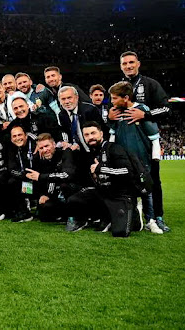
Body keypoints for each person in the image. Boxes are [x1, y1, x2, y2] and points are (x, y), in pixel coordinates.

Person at [118, 51, 170, 232]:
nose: (128, 66)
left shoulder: (150, 84)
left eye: (131, 62)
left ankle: (158, 217)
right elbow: (111, 109)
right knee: (126, 180)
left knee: (153, 181)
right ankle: (132, 216)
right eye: (124, 63)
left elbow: (166, 108)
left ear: (138, 63)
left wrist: (145, 114)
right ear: (121, 66)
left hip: (146, 143)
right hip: (125, 143)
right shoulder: (118, 87)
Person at [107, 81, 162, 234]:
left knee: (147, 190)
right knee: (126, 190)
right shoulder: (115, 112)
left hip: (141, 158)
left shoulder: (141, 110)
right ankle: (133, 219)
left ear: (125, 98)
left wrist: (155, 157)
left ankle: (151, 220)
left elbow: (154, 136)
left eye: (114, 98)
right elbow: (112, 134)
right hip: (122, 161)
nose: (111, 101)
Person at [65, 122, 137, 237]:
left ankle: (133, 213)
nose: (90, 137)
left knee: (120, 232)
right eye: (86, 135)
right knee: (74, 199)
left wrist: (100, 168)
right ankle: (99, 217)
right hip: (103, 193)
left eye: (93, 133)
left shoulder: (114, 148)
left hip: (120, 195)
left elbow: (127, 172)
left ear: (101, 133)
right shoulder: (92, 152)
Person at [25, 133, 77, 222]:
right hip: (53, 194)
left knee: (64, 185)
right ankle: (25, 210)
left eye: (47, 146)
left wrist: (41, 177)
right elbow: (37, 180)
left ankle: (74, 215)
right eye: (41, 148)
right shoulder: (37, 159)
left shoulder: (65, 153)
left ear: (54, 144)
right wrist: (42, 195)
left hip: (72, 189)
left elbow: (67, 175)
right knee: (44, 212)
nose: (45, 150)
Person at [57, 86, 105, 152]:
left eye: (69, 98)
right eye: (63, 99)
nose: (67, 101)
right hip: (78, 151)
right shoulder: (62, 115)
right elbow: (68, 134)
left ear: (77, 97)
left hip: (96, 149)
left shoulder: (90, 110)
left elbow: (102, 132)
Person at [5, 125, 36, 223]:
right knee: (12, 181)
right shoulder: (11, 149)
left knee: (46, 213)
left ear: (26, 135)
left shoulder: (36, 145)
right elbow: (11, 169)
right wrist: (25, 175)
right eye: (14, 136)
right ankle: (24, 211)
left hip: (40, 182)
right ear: (11, 139)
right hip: (27, 184)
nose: (17, 138)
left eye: (20, 135)